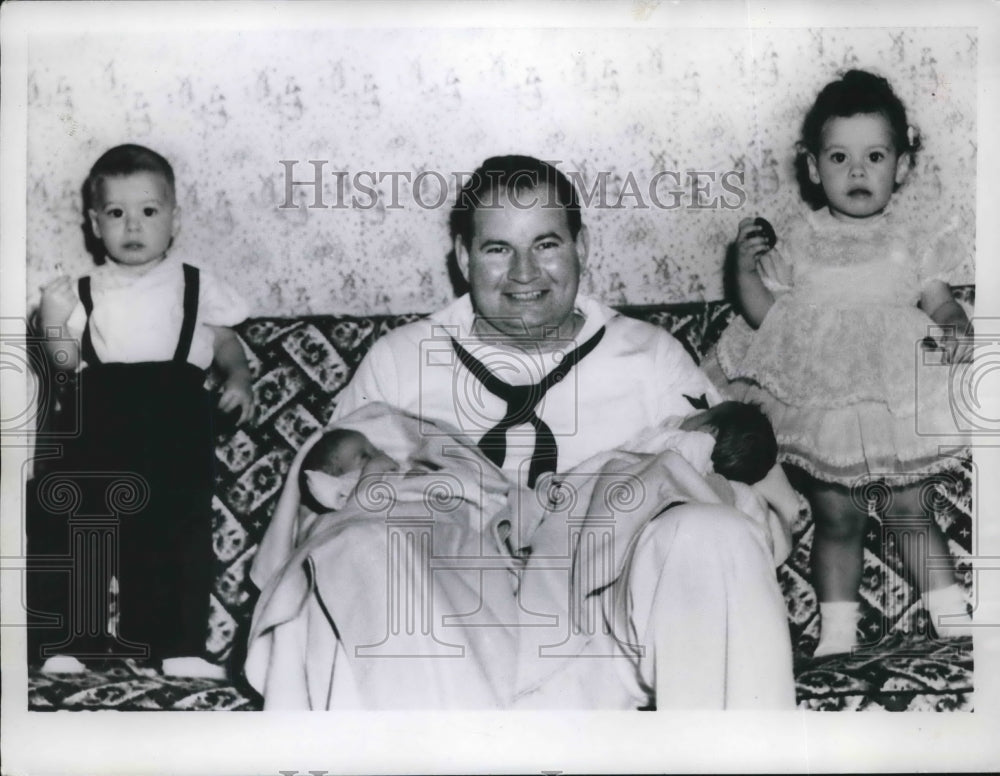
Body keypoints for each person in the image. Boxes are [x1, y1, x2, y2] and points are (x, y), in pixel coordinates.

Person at [247, 155, 796, 709]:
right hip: (439, 631)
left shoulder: (651, 357)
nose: (524, 273)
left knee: (713, 533)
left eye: (546, 244)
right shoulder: (401, 361)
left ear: (582, 248)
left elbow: (738, 468)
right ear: (463, 258)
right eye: (498, 249)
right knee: (360, 548)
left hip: (607, 631)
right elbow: (327, 490)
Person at [704, 70, 974, 656]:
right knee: (837, 513)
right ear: (812, 166)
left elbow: (939, 299)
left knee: (911, 507)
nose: (857, 172)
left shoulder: (910, 237)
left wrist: (953, 319)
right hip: (822, 398)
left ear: (900, 166)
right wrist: (746, 271)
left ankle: (955, 621)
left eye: (874, 156)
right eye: (839, 157)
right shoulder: (800, 241)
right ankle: (837, 636)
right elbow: (764, 317)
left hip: (893, 397)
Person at [30, 144, 254, 678]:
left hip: (177, 418)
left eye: (149, 211)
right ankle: (67, 641)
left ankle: (175, 645)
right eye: (116, 213)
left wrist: (240, 378)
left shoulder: (196, 282)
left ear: (174, 218)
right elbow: (64, 368)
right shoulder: (84, 290)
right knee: (80, 523)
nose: (133, 225)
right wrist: (54, 325)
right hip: (98, 414)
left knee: (178, 531)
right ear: (95, 222)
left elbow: (225, 342)